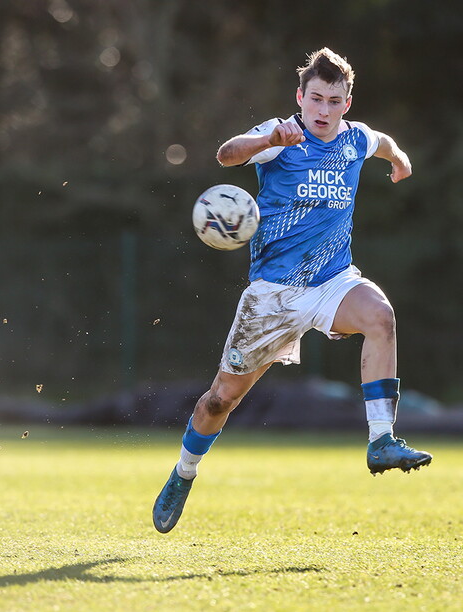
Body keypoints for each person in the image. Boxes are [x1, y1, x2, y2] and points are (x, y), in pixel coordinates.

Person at [152, 47, 432, 534]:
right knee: (220, 399)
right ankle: (184, 472)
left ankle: (381, 440)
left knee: (381, 316)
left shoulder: (355, 140)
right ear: (300, 97)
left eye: (334, 101)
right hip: (273, 294)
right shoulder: (283, 136)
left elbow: (382, 142)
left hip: (333, 281)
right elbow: (227, 154)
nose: (323, 111)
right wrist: (269, 136)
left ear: (347, 102)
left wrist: (400, 158)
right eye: (316, 99)